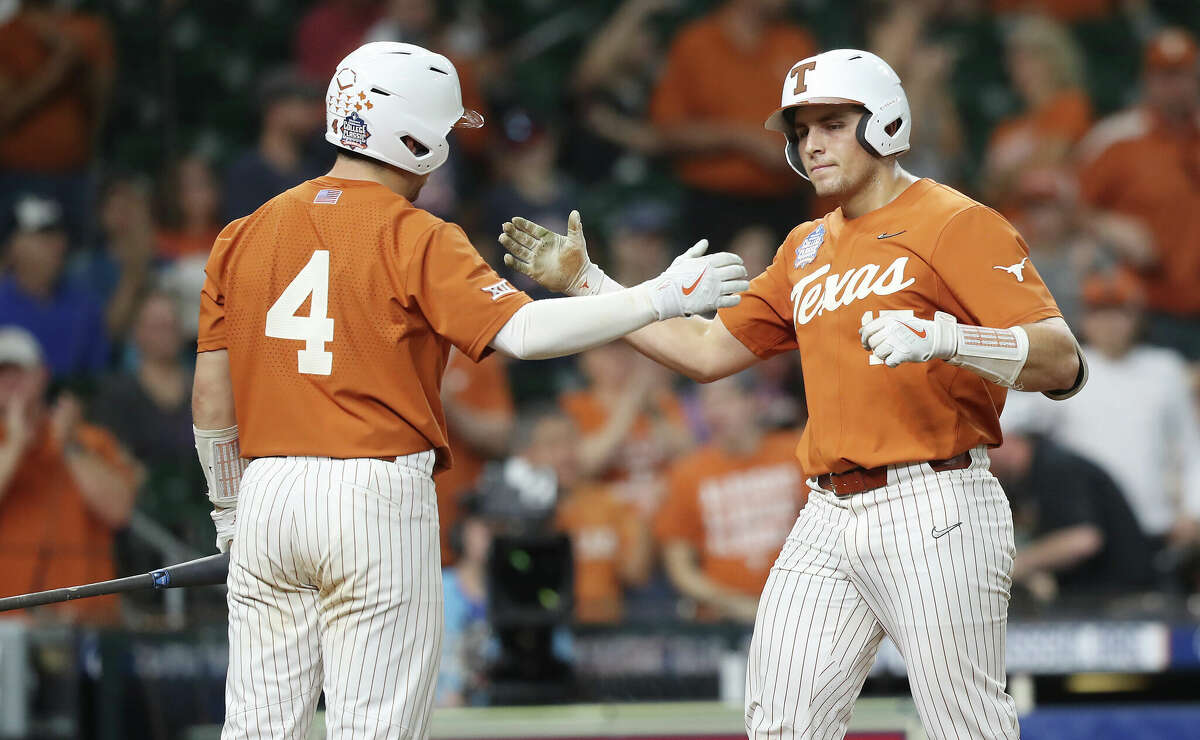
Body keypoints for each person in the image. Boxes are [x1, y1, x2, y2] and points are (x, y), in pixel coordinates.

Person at [501, 48, 1086, 739]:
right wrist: (591, 285)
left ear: (885, 124)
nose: (811, 144)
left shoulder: (955, 220)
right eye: (801, 130)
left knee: (965, 726)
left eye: (833, 123)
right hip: (827, 509)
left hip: (937, 500)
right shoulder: (804, 246)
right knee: (781, 722)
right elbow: (708, 351)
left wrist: (952, 340)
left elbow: (1063, 362)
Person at [190, 42, 747, 739]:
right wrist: (656, 298)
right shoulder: (414, 232)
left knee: (257, 730)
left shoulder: (241, 234)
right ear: (414, 137)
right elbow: (526, 334)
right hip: (371, 491)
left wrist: (230, 513)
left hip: (268, 490)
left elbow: (211, 401)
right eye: (444, 133)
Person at [1002, 271, 1200, 556]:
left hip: (1155, 525)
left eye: (1120, 313)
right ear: (1084, 318)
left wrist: (1194, 510)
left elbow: (1191, 448)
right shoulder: (1069, 367)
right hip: (1086, 526)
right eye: (1099, 313)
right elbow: (1010, 414)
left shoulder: (1164, 369)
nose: (1110, 324)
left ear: (1138, 318)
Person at [1076, 27, 1200, 359]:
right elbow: (1069, 206)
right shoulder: (1118, 139)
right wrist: (1106, 224)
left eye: (1182, 75)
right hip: (1147, 312)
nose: (1174, 87)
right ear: (1148, 80)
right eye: (1165, 76)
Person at [649, 0, 817, 244]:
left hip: (788, 201)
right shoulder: (695, 43)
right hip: (713, 205)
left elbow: (823, 118)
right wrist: (741, 138)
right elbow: (666, 132)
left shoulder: (796, 42)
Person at [0, 326, 137, 624]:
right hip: (8, 622)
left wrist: (68, 446)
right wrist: (15, 445)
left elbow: (119, 511)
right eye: (2, 373)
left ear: (42, 376)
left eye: (18, 372)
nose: (9, 382)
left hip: (86, 618)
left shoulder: (87, 439)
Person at [654, 373, 804, 623]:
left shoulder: (797, 453)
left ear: (754, 402)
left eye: (726, 399)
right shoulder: (687, 472)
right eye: (708, 402)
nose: (716, 412)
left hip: (801, 607)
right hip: (722, 620)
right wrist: (735, 605)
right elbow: (679, 567)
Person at [989, 432, 1157, 604]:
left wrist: (1017, 565)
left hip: (1124, 597)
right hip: (1099, 598)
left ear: (1008, 439)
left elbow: (1084, 539)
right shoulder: (1021, 480)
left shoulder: (1056, 467)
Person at [983, 13, 1092, 211]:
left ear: (1055, 60)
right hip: (1006, 222)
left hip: (1052, 221)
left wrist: (1007, 178)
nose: (1020, 68)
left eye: (1032, 57)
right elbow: (989, 190)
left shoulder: (1070, 105)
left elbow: (1046, 164)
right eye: (1016, 60)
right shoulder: (1007, 127)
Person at [0, 194, 109, 380]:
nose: (57, 245)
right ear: (14, 246)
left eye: (59, 235)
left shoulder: (86, 308)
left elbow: (95, 384)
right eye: (43, 236)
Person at [434, 348, 515, 566]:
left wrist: (448, 406)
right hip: (403, 518)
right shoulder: (392, 354)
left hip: (462, 521)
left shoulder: (476, 358)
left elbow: (501, 439)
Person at [222, 69, 328, 223]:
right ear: (275, 110)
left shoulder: (318, 168)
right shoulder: (245, 174)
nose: (313, 111)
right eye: (304, 103)